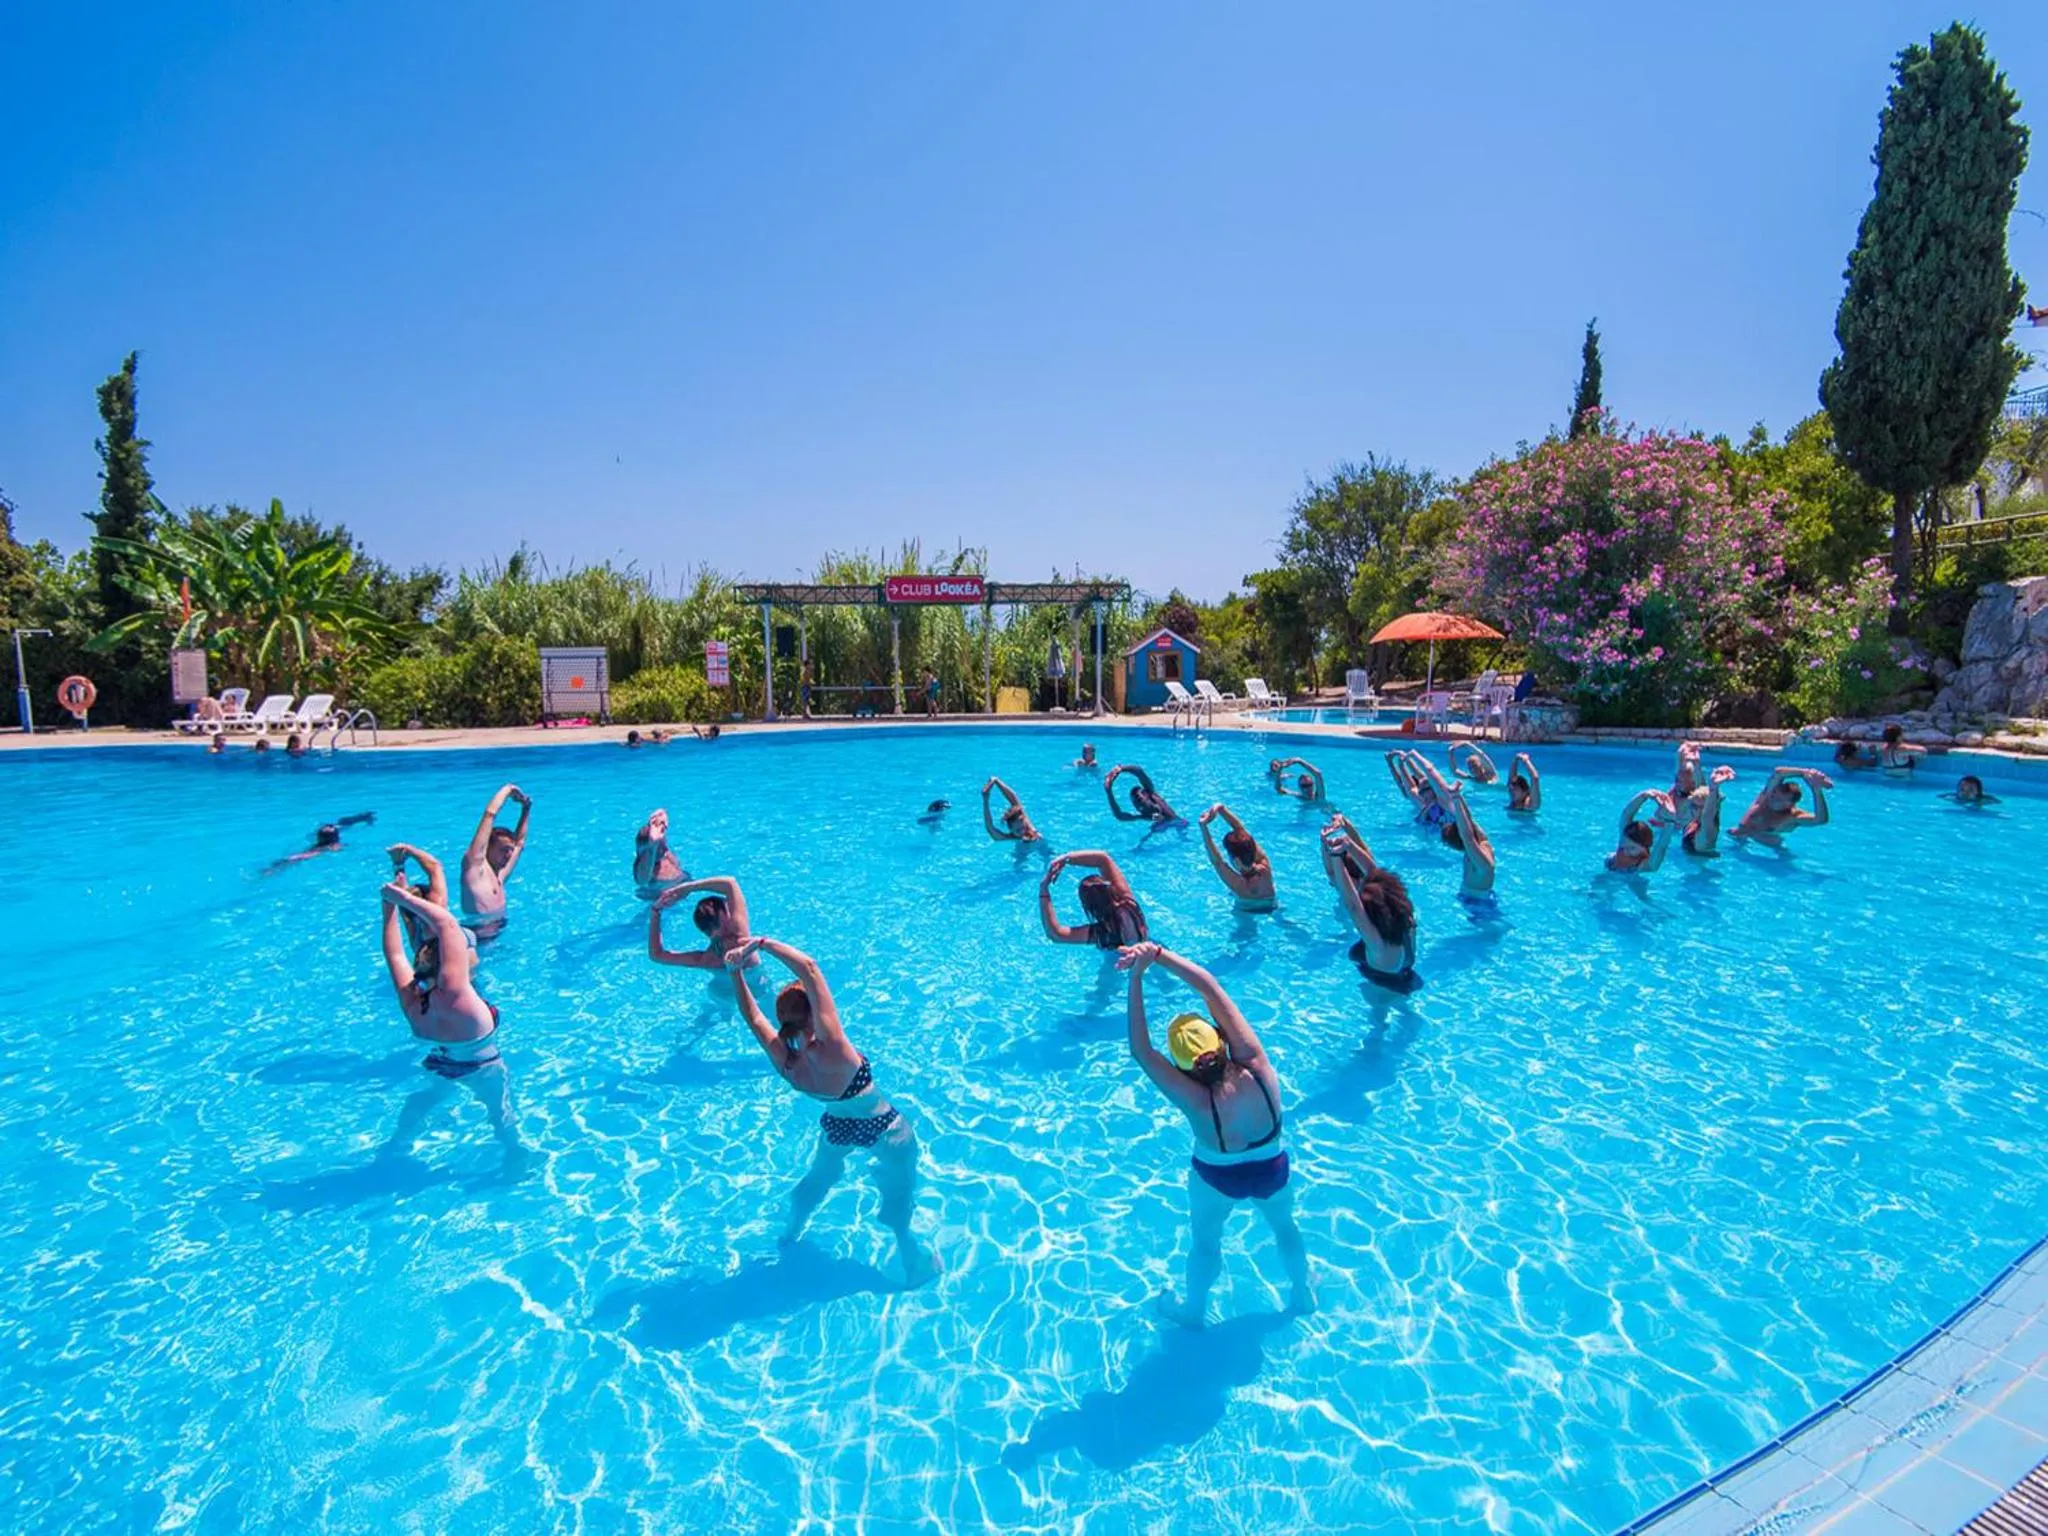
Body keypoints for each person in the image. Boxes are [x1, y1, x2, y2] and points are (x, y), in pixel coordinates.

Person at [1119, 941, 1312, 1325]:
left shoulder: (1196, 1100)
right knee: (1285, 1228)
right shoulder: (1257, 1066)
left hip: (1217, 1179)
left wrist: (1136, 978)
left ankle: (1193, 1312)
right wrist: (1158, 954)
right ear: (1220, 1042)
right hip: (1272, 1168)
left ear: (1182, 1065)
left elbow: (1142, 1051)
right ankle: (1303, 1294)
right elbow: (1210, 988)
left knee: (1206, 1243)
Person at [723, 937, 933, 1282]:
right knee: (899, 1196)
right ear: (815, 1018)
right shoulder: (835, 1048)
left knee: (817, 1180)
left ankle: (790, 1233)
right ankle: (912, 1259)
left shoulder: (787, 1063)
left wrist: (735, 973)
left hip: (838, 1127)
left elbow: (753, 1018)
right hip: (883, 1127)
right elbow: (809, 969)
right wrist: (760, 944)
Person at [378, 875, 517, 1148]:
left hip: (439, 1065)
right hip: (482, 1068)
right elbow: (447, 924)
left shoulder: (413, 1003)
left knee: (428, 1098)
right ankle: (515, 1157)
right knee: (500, 1117)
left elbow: (394, 955)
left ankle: (399, 1142)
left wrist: (389, 911)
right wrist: (403, 899)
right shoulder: (457, 996)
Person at [1322, 815, 1418, 991]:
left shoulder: (1377, 942)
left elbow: (1353, 906)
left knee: (1379, 1017)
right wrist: (1348, 845)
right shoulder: (1407, 919)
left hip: (1382, 986)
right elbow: (1377, 875)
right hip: (1407, 973)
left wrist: (1336, 856)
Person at [1412, 757, 1496, 907]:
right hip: (1475, 897)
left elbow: (1468, 837)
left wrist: (1456, 798)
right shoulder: (1483, 841)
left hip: (1479, 907)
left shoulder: (1481, 861)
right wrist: (1458, 797)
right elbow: (1469, 822)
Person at [459, 784, 531, 937]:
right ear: (487, 849)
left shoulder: (499, 875)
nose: (509, 855)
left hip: (495, 934)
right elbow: (489, 815)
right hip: (476, 939)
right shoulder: (475, 870)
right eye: (504, 850)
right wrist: (508, 790)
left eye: (510, 851)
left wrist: (525, 809)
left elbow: (520, 843)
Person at [1040, 851, 1148, 949]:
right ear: (1111, 889)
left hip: (1119, 961)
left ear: (1089, 907)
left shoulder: (1101, 933)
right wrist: (1065, 859)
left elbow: (1055, 934)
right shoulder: (1130, 903)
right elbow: (1102, 858)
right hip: (1146, 948)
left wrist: (1043, 890)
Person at [649, 875, 754, 972]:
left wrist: (655, 911)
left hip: (719, 991)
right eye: (728, 907)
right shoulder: (741, 939)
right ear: (723, 918)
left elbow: (657, 955)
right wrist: (688, 887)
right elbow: (730, 883)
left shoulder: (705, 960)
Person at [1198, 804, 1275, 911]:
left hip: (1246, 912)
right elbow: (1240, 829)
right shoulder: (1265, 867)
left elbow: (1218, 862)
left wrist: (1203, 827)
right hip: (1272, 906)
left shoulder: (1238, 884)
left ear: (1237, 861)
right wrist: (1221, 809)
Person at [1731, 767, 1833, 847]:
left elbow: (1820, 820)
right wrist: (1807, 773)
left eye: (1779, 800)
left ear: (1791, 804)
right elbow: (1778, 772)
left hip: (1769, 846)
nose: (1772, 800)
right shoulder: (1765, 799)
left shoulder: (1792, 817)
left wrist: (1816, 790)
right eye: (1773, 795)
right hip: (1738, 839)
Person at [262, 812, 376, 875]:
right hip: (311, 852)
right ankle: (366, 817)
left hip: (308, 851)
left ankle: (365, 817)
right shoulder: (332, 846)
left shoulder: (321, 843)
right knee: (294, 859)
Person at [1607, 790, 1679, 873]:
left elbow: (1662, 845)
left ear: (1644, 848)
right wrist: (1643, 796)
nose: (1626, 851)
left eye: (1632, 848)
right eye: (1624, 845)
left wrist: (1670, 822)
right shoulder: (1626, 842)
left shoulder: (1646, 865)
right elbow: (1626, 814)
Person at [1678, 765, 1739, 857]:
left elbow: (1708, 814)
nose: (1695, 810)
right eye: (1694, 806)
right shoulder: (1692, 821)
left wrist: (1714, 788)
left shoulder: (1707, 829)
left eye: (1700, 808)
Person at [1105, 765, 1183, 829]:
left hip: (1180, 824)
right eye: (1136, 804)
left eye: (1140, 800)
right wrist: (1109, 791)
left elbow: (1139, 772)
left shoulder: (1154, 795)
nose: (1139, 806)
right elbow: (1120, 816)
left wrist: (1122, 768)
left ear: (1147, 796)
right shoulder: (1146, 815)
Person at [1386, 750, 1450, 829]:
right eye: (1421, 791)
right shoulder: (1423, 803)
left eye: (1424, 790)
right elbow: (1405, 783)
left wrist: (1402, 759)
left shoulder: (1442, 801)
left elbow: (1417, 777)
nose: (1421, 793)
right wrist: (1400, 762)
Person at [633, 808, 688, 898]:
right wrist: (653, 844)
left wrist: (660, 819)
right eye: (659, 845)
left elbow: (661, 813)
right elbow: (642, 881)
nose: (665, 848)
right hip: (663, 905)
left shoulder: (664, 853)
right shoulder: (644, 869)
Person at [982, 777, 1043, 843]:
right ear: (1011, 829)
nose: (1022, 832)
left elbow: (1014, 799)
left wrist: (997, 781)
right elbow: (989, 827)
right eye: (1018, 830)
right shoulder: (1008, 838)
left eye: (1024, 828)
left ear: (1025, 822)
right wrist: (985, 799)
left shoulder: (1033, 832)